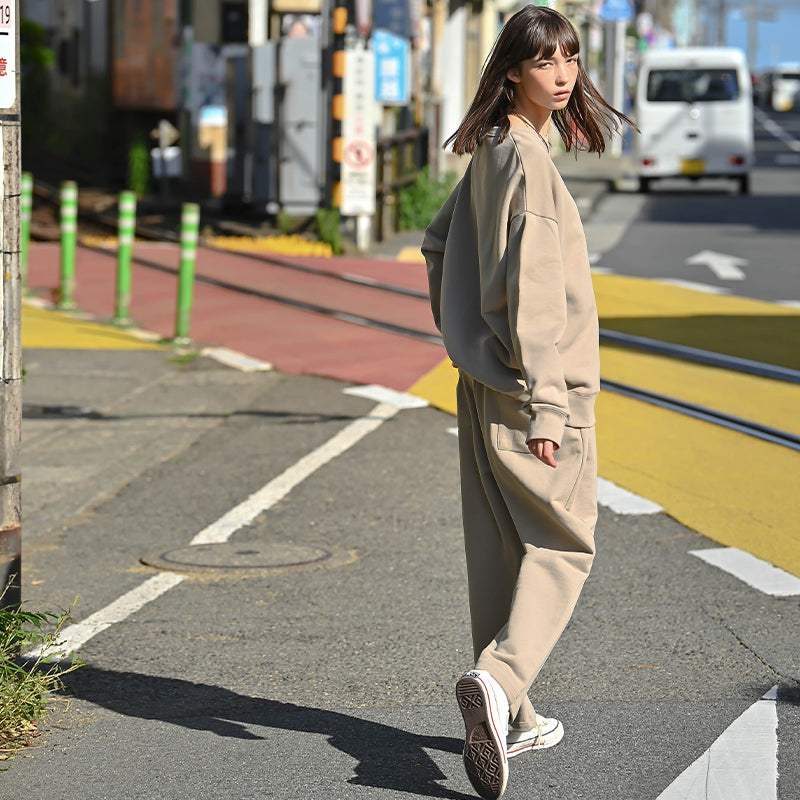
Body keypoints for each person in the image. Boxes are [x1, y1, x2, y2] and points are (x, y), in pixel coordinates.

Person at [421, 6, 634, 799]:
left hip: (483, 390)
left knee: (501, 553)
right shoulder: (531, 165)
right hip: (537, 391)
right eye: (545, 60)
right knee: (565, 544)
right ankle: (501, 680)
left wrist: (467, 342)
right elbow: (538, 296)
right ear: (512, 69)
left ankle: (513, 715)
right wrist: (547, 403)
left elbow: (438, 247)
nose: (565, 72)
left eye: (571, 57)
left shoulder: (493, 150)